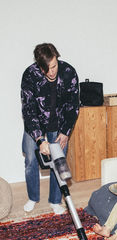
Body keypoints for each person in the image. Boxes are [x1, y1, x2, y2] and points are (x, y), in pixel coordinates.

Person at [21, 43, 79, 214]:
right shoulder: (30, 75)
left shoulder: (69, 72)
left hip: (59, 125)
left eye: (54, 66)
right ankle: (33, 197)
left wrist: (66, 131)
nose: (52, 71)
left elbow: (73, 105)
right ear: (40, 66)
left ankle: (55, 201)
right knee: (31, 159)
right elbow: (28, 109)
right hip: (35, 125)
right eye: (47, 68)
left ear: (57, 58)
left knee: (58, 162)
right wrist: (40, 139)